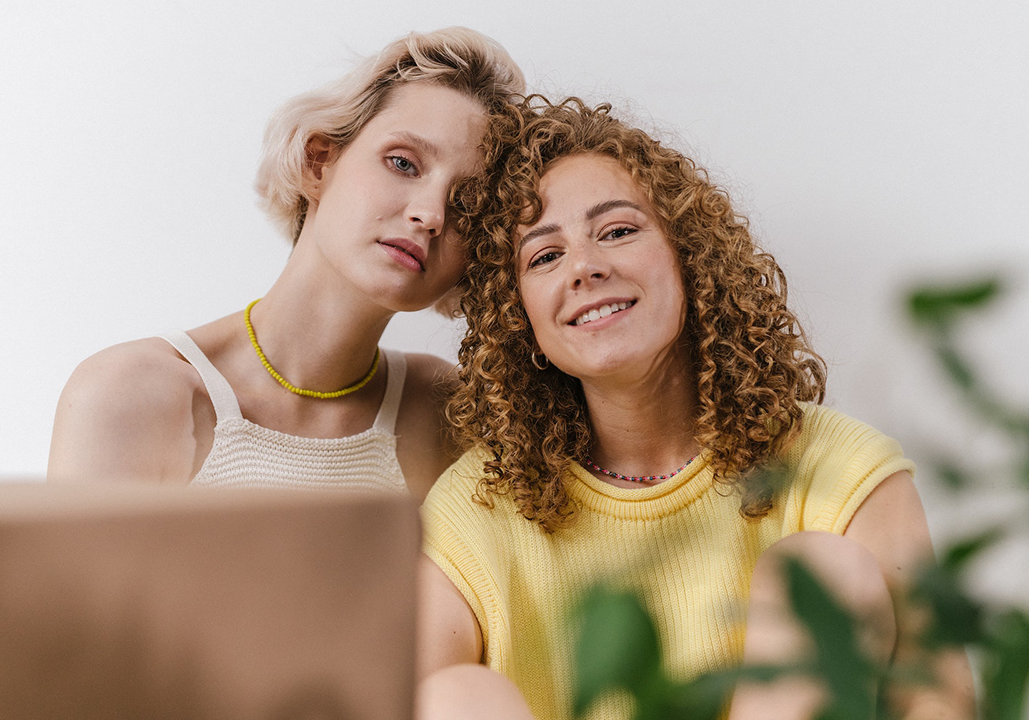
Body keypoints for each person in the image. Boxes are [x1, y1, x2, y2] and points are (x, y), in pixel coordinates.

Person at [416, 98, 973, 719]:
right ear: (519, 318)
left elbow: (938, 703)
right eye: (544, 257)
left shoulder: (841, 472)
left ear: (691, 256)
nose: (586, 268)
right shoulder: (478, 506)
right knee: (450, 693)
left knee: (825, 569)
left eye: (618, 231)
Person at [48, 28, 524, 500]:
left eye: (469, 202)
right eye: (403, 163)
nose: (432, 214)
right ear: (318, 162)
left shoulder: (448, 411)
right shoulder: (131, 393)